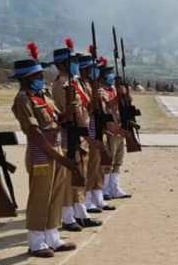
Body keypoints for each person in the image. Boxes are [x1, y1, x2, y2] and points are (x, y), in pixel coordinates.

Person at [11, 56, 79, 257]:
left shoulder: (44, 95)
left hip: (56, 148)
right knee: (40, 197)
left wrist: (70, 107)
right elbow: (34, 132)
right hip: (41, 153)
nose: (41, 77)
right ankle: (36, 242)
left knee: (56, 195)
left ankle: (52, 236)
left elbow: (59, 120)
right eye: (37, 75)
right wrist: (59, 158)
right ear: (25, 78)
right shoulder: (23, 99)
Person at [51, 46, 102, 231]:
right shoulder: (60, 85)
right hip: (68, 136)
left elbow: (85, 110)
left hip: (81, 134)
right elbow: (65, 116)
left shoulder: (76, 84)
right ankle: (68, 217)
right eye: (72, 62)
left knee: (79, 177)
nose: (76, 65)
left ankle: (80, 213)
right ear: (61, 64)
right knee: (68, 180)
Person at [79, 54, 116, 213]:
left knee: (99, 166)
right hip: (90, 130)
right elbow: (87, 109)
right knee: (90, 167)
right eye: (91, 68)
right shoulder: (82, 85)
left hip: (98, 128)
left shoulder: (90, 84)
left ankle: (97, 196)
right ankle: (87, 200)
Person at [99, 64, 132, 200]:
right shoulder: (101, 91)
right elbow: (107, 106)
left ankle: (115, 187)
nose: (111, 76)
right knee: (108, 161)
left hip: (120, 128)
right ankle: (105, 188)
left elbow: (126, 105)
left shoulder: (114, 89)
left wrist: (126, 94)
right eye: (109, 73)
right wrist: (118, 96)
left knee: (118, 160)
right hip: (110, 130)